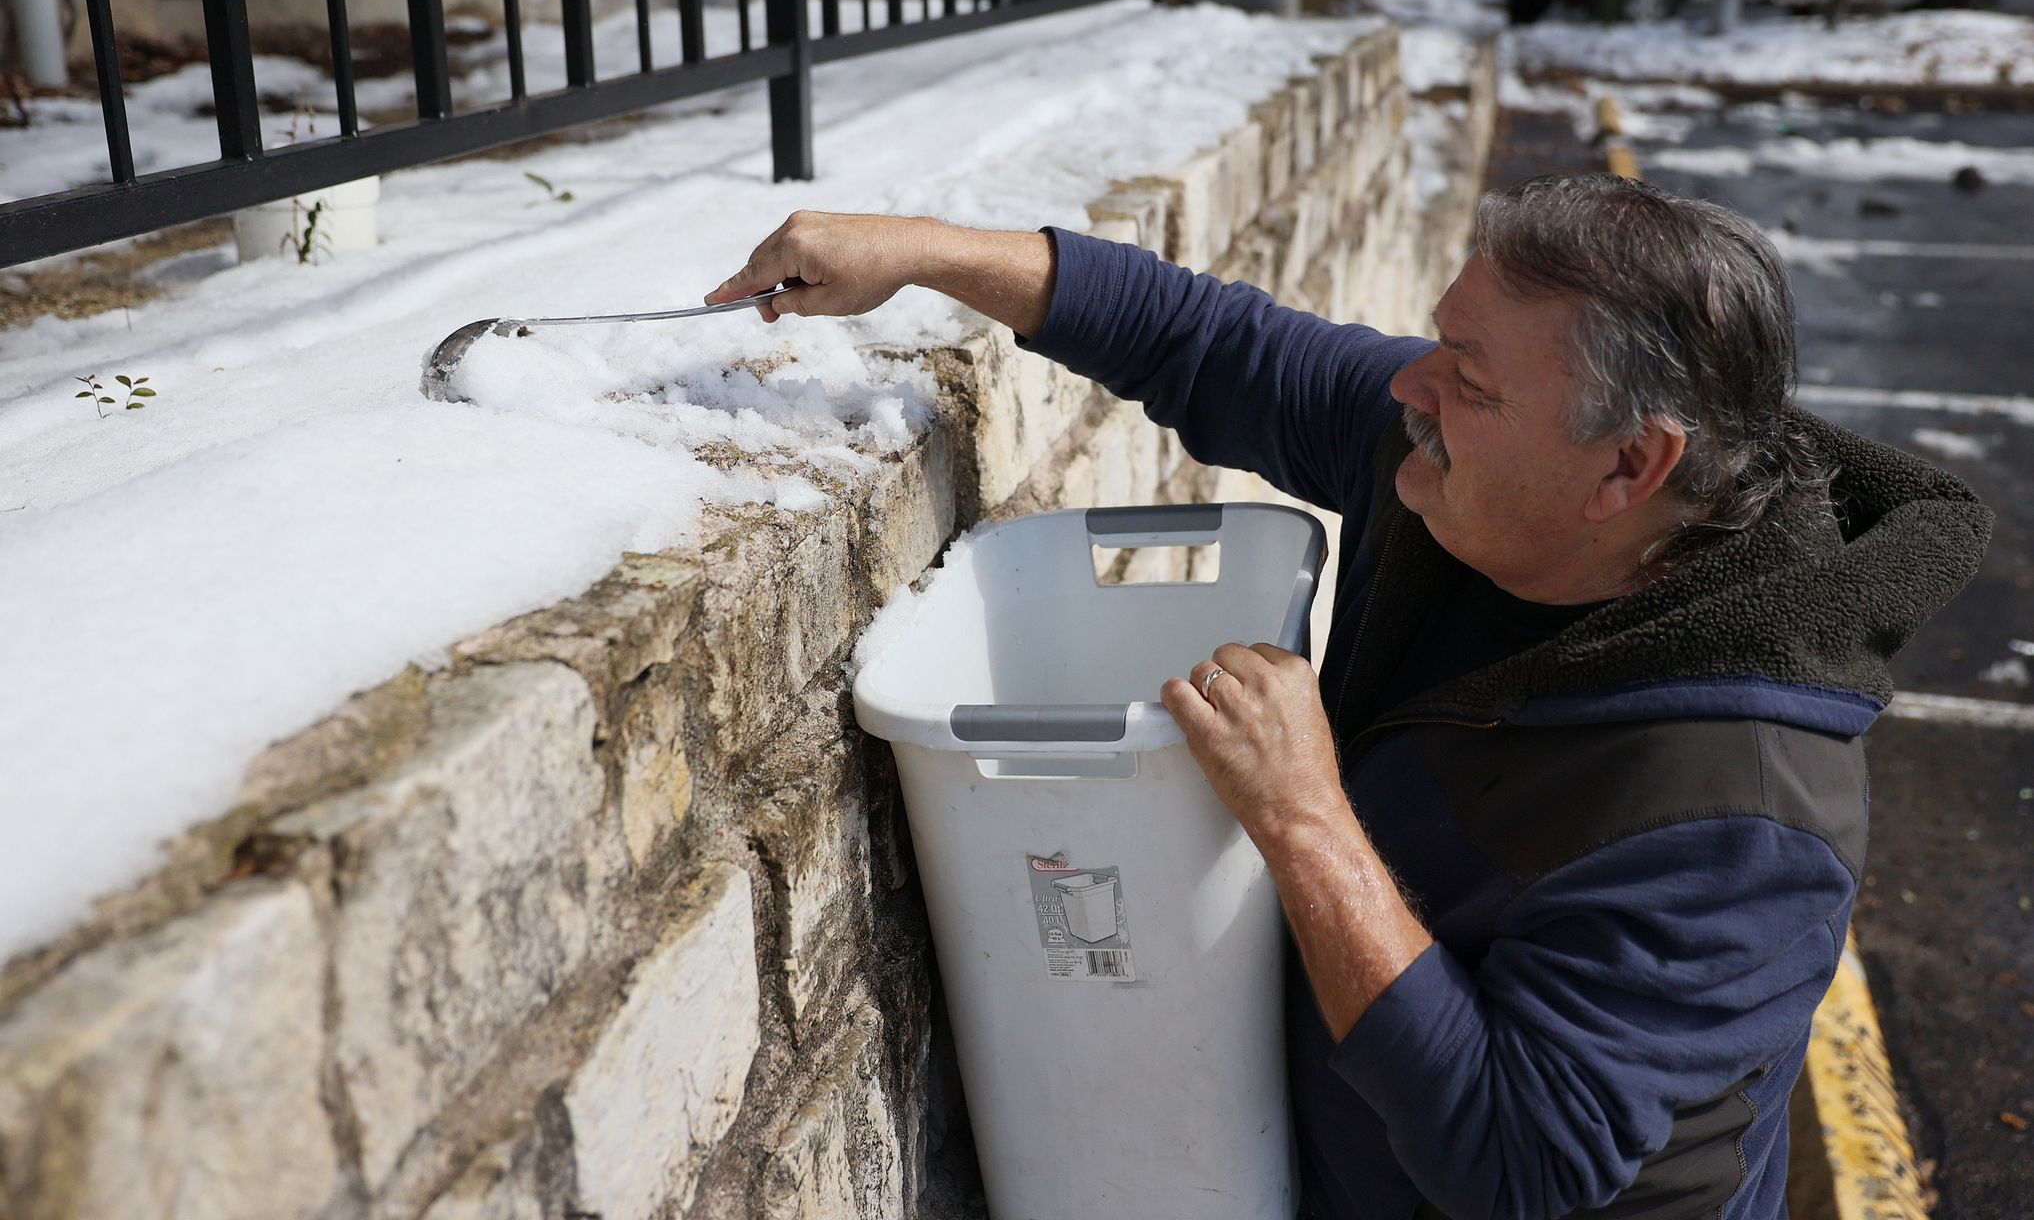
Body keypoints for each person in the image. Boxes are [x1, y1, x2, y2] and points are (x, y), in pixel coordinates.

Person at [706, 173, 1989, 1220]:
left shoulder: (1738, 812)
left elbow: (1518, 1160)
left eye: (1469, 382)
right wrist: (918, 249)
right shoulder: (1478, 468)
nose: (1411, 391)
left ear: (1632, 466)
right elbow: (1215, 344)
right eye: (1440, 345)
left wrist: (1305, 816)